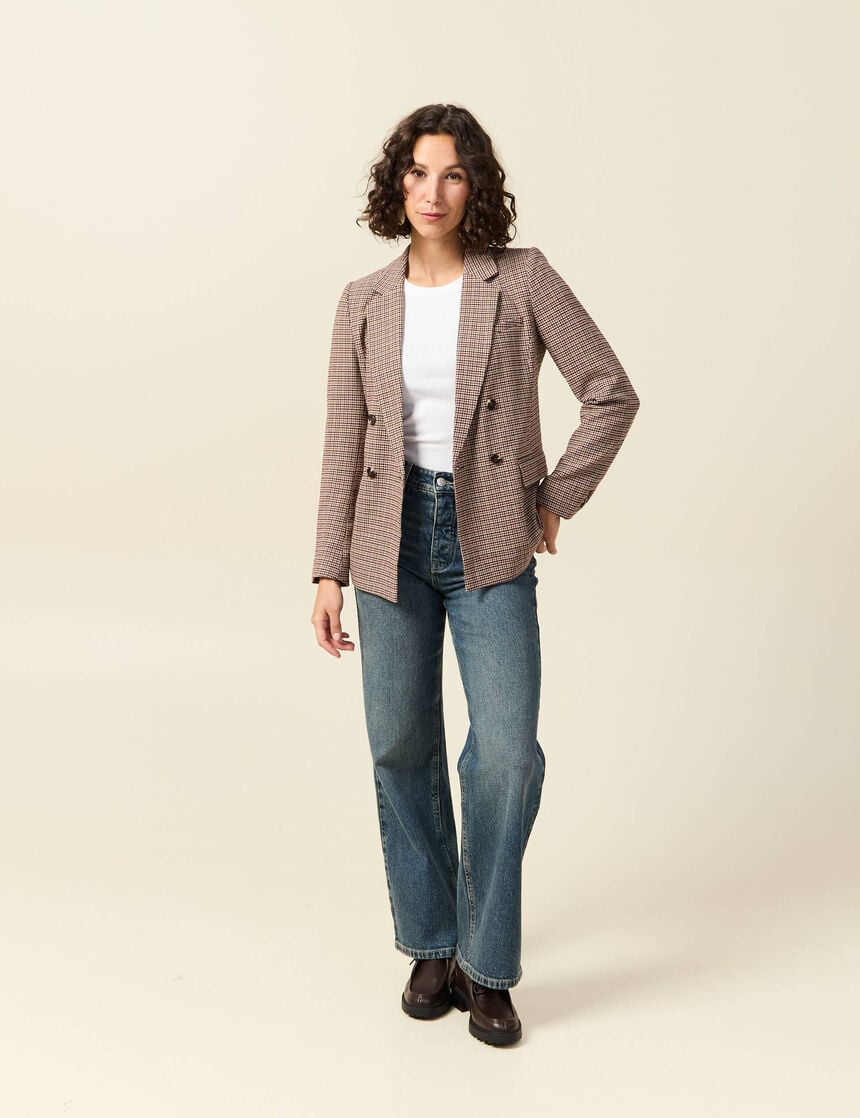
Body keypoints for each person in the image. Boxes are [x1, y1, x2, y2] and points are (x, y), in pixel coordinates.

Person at [310, 103, 639, 1047]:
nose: (433, 191)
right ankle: (431, 945)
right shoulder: (363, 300)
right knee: (399, 745)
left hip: (489, 535)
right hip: (387, 541)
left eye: (452, 174)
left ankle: (488, 964)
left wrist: (556, 495)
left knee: (506, 754)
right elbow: (345, 439)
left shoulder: (521, 279)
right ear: (397, 184)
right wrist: (327, 570)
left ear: (476, 186)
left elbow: (610, 390)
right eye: (418, 172)